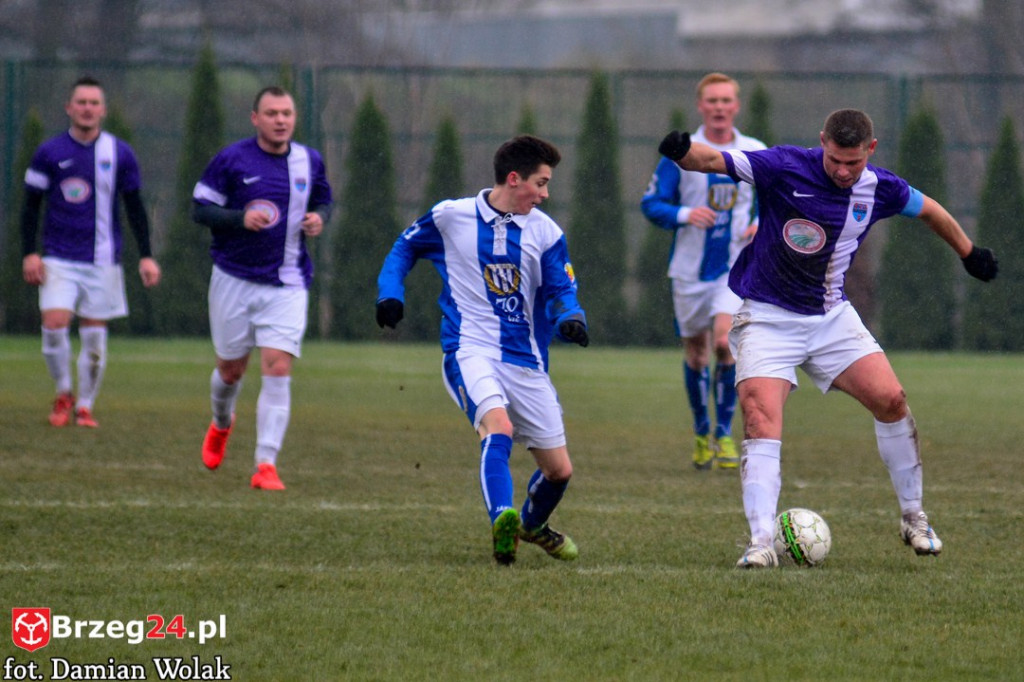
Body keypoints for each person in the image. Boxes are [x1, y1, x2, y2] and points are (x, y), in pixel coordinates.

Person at [657, 108, 998, 568]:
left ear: (870, 152)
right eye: (835, 159)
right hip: (767, 317)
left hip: (830, 317)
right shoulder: (784, 166)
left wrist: (969, 252)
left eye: (853, 163)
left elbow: (929, 209)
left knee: (892, 400)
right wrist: (682, 152)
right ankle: (760, 542)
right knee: (760, 419)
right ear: (822, 143)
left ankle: (914, 516)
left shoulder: (881, 187)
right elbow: (713, 160)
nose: (842, 170)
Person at [376, 135, 589, 565]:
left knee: (559, 471)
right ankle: (502, 520)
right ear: (515, 179)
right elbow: (405, 246)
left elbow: (562, 287)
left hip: (526, 360)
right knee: (499, 428)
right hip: (468, 349)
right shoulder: (451, 216)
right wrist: (389, 292)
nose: (546, 194)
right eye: (541, 183)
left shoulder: (545, 232)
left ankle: (530, 524)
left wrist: (572, 316)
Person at [192, 86, 332, 491]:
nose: (281, 120)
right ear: (255, 118)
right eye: (271, 113)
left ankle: (265, 464)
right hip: (233, 279)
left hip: (287, 282)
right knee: (230, 371)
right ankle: (221, 423)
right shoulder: (232, 159)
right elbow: (199, 209)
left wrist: (319, 219)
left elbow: (323, 199)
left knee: (278, 365)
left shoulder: (310, 160)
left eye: (287, 112)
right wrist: (239, 219)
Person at [21, 75, 162, 429]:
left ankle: (85, 406)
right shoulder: (49, 152)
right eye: (81, 102)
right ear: (69, 108)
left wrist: (146, 255)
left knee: (94, 339)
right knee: (54, 324)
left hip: (102, 260)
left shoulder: (119, 153)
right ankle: (64, 391)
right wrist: (30, 252)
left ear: (103, 110)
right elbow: (29, 206)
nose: (87, 109)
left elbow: (134, 207)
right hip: (58, 257)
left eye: (94, 103)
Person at [641, 72, 765, 471]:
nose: (719, 107)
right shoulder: (680, 154)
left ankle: (725, 435)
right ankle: (701, 431)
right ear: (701, 106)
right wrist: (684, 213)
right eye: (712, 100)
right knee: (695, 353)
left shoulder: (754, 151)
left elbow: (774, 198)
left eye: (726, 100)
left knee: (725, 343)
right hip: (690, 271)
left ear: (736, 106)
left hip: (735, 266)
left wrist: (762, 222)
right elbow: (651, 204)